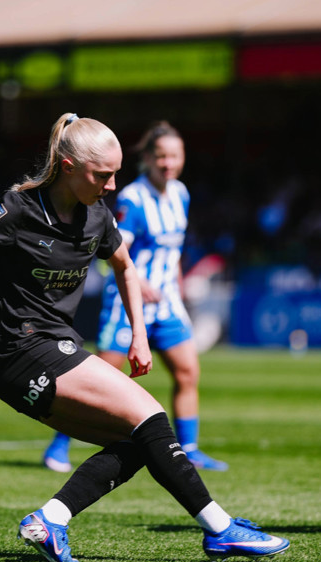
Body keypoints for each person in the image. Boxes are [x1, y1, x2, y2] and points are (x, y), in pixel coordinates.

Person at [0, 113, 289, 562]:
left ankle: (49, 521)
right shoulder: (17, 210)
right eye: (103, 174)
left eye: (116, 174)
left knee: (139, 440)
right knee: (151, 414)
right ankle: (221, 529)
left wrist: (139, 335)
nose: (113, 185)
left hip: (55, 347)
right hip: (21, 351)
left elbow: (126, 268)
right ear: (68, 166)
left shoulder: (98, 216)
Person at [42, 121, 227, 474]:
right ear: (147, 159)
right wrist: (138, 284)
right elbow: (117, 249)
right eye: (161, 157)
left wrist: (176, 284)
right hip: (128, 304)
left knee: (187, 371)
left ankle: (188, 449)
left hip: (168, 302)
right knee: (99, 378)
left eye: (175, 156)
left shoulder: (181, 194)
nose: (168, 164)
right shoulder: (133, 198)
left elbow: (173, 251)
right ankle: (58, 445)